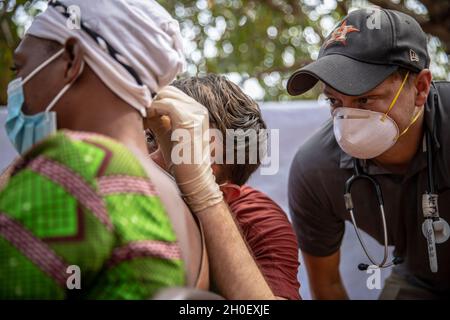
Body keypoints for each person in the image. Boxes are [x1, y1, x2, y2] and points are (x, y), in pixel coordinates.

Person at [1, 0, 276, 300]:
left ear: (70, 60)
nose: (17, 87)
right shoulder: (182, 208)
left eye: (20, 68)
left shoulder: (72, 165)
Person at [286, 8, 450, 300]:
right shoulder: (317, 170)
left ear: (421, 88)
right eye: (335, 100)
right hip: (420, 280)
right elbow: (328, 287)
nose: (349, 118)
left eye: (365, 98)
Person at [147, 74, 301, 300]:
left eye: (183, 150)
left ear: (226, 193)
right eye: (152, 137)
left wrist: (203, 194)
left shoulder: (257, 219)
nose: (150, 158)